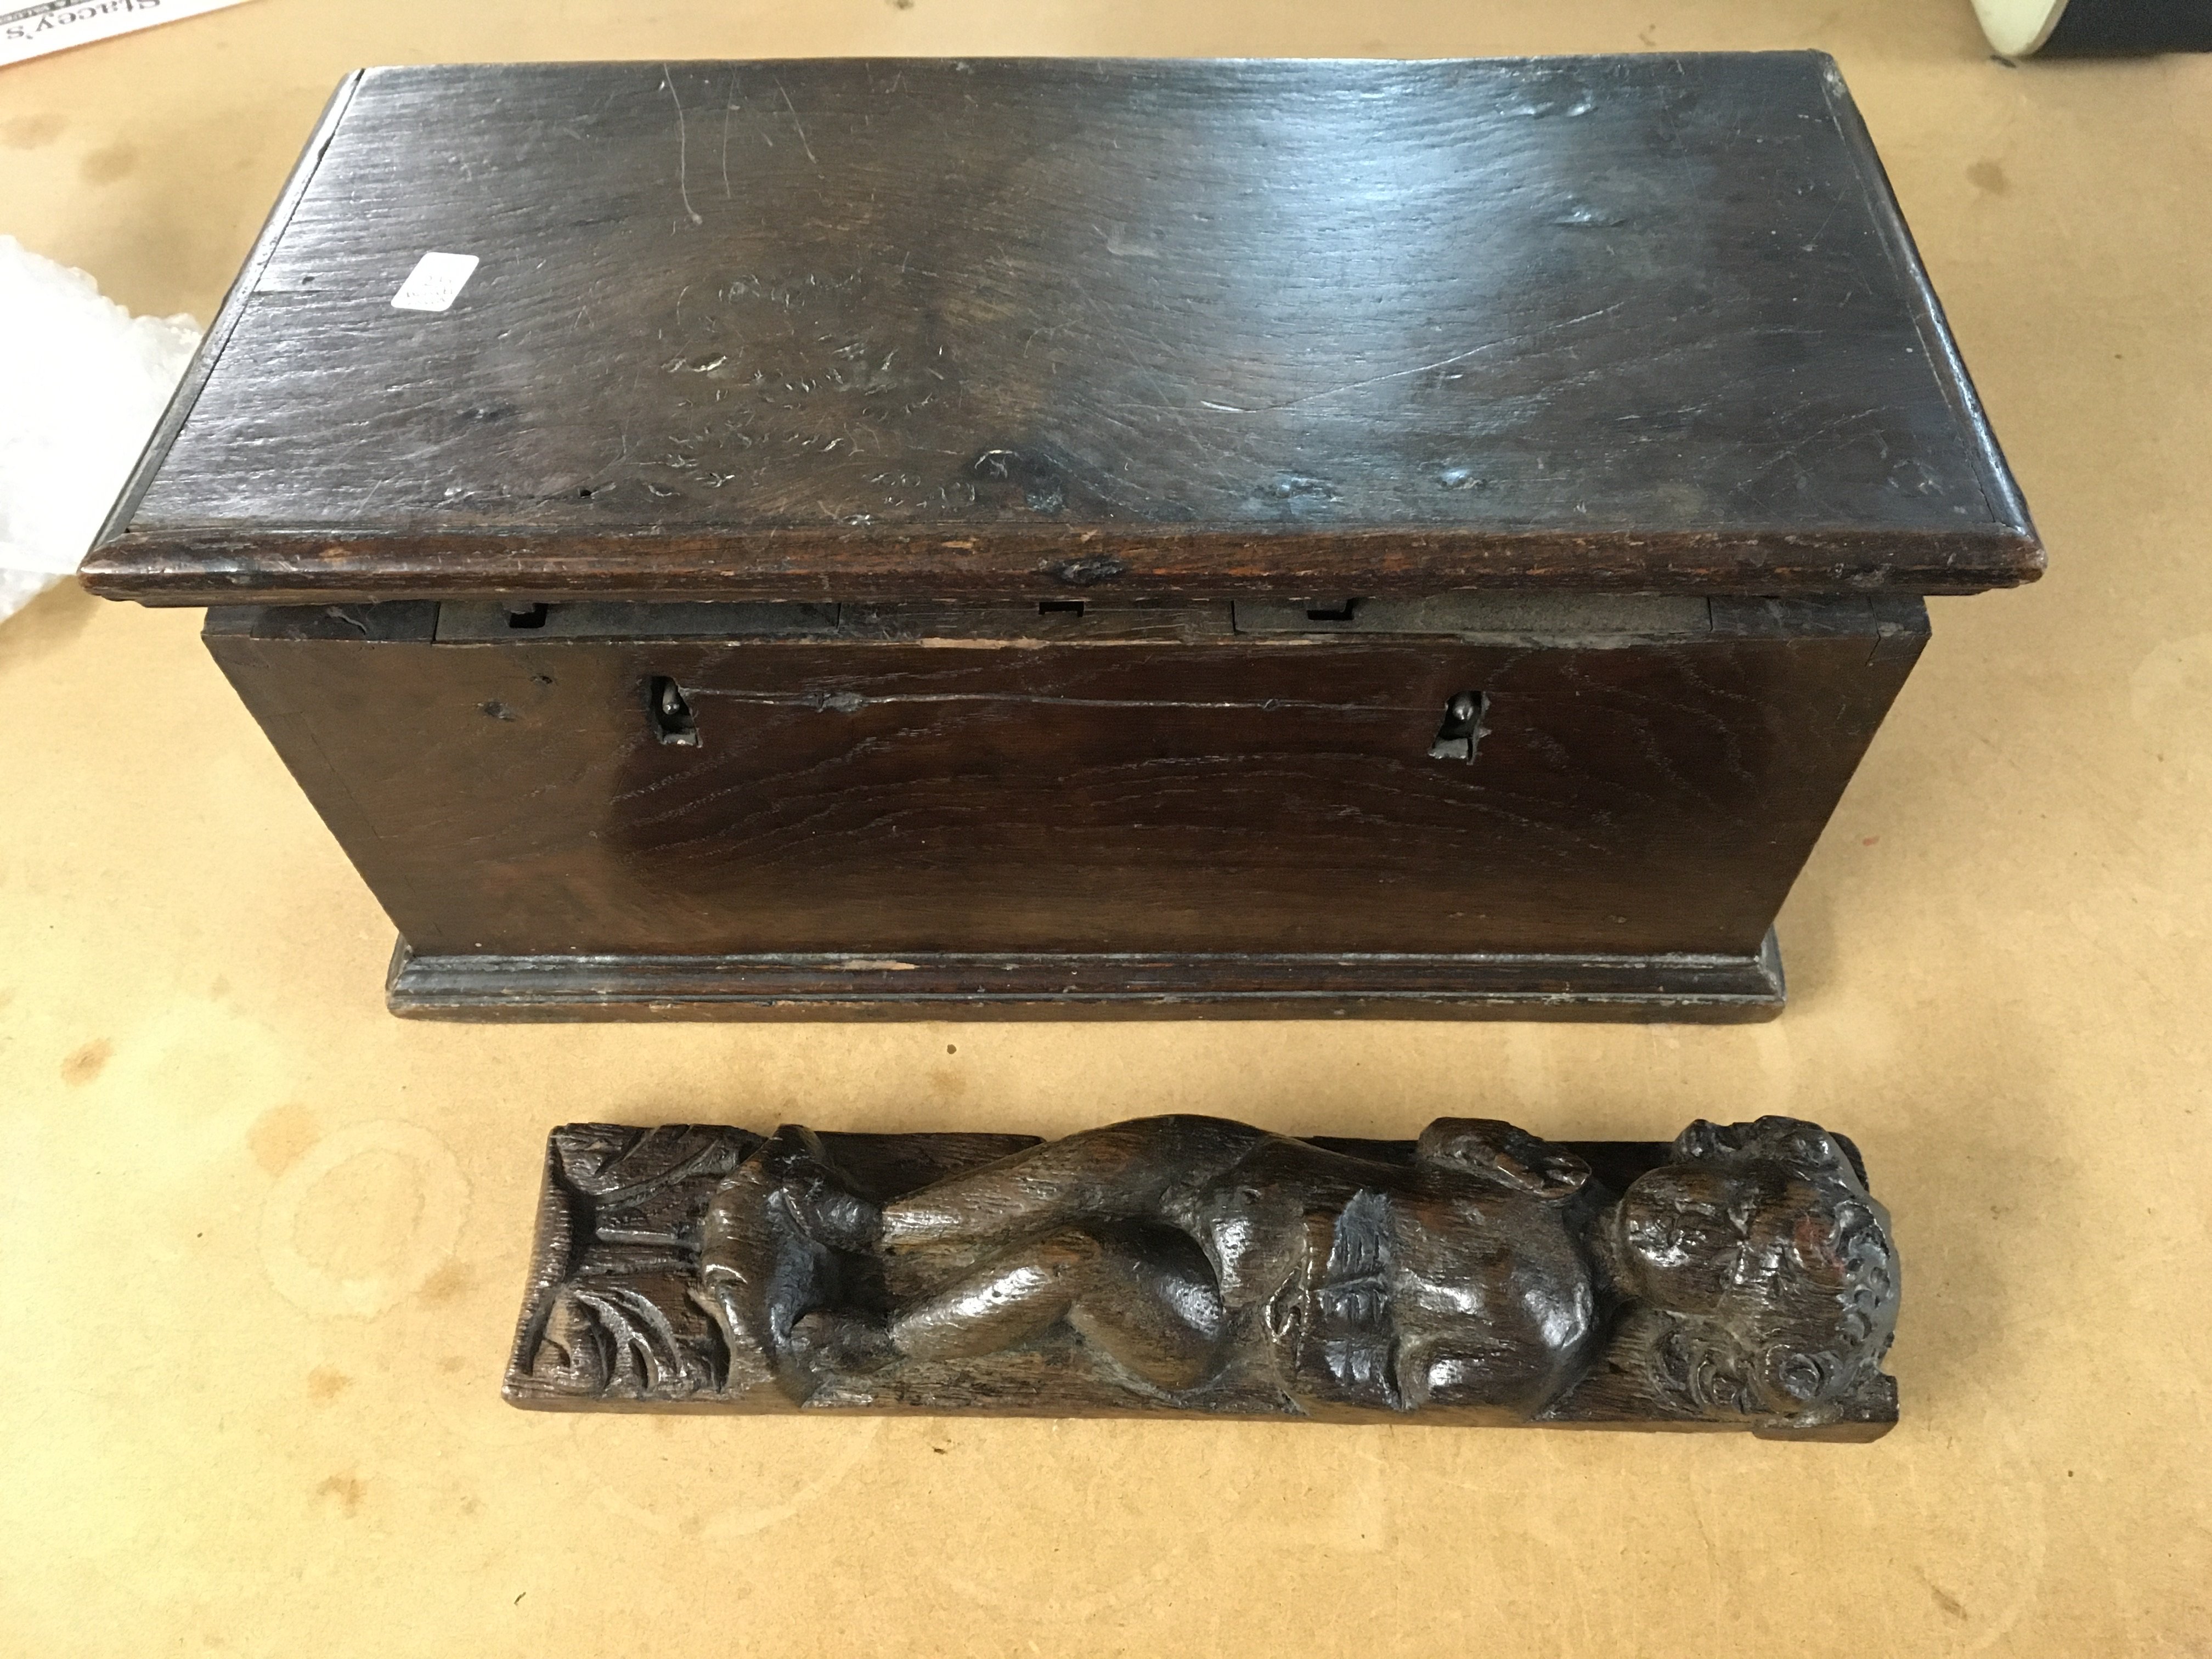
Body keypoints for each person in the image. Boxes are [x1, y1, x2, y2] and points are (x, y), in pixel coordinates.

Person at [695, 1112, 1897, 1425]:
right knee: (1133, 1152)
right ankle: (875, 1223)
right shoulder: (1560, 1185)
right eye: (1736, 1204)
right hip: (1229, 1177)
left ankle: (872, 1344)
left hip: (1221, 1319)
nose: (1696, 1222)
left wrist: (1335, 1297)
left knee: (1082, 1259)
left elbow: (1354, 1391)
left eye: (1720, 1262)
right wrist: (1477, 1146)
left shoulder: (1540, 1354)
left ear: (1706, 1321)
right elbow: (1428, 1154)